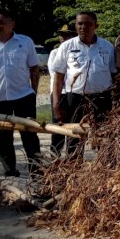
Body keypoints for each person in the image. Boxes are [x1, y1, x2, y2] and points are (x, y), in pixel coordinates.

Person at [51, 12, 117, 151]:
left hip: (101, 99)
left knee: (104, 139)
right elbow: (58, 77)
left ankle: (105, 170)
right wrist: (56, 104)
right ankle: (75, 169)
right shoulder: (66, 46)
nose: (83, 27)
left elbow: (113, 75)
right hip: (74, 99)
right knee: (74, 141)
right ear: (75, 25)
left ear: (96, 26)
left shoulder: (107, 47)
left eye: (88, 24)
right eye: (80, 23)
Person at [0, 9, 41, 177]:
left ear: (12, 23)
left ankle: (36, 170)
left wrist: (34, 92)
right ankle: (10, 171)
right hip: (0, 99)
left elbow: (34, 68)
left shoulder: (25, 42)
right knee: (2, 138)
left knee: (30, 134)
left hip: (24, 96)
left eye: (3, 22)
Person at [48, 24, 77, 153]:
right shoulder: (55, 53)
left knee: (74, 127)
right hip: (59, 93)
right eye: (62, 35)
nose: (63, 38)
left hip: (73, 93)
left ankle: (72, 159)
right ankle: (55, 156)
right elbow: (57, 75)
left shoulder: (77, 51)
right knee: (57, 127)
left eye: (67, 35)